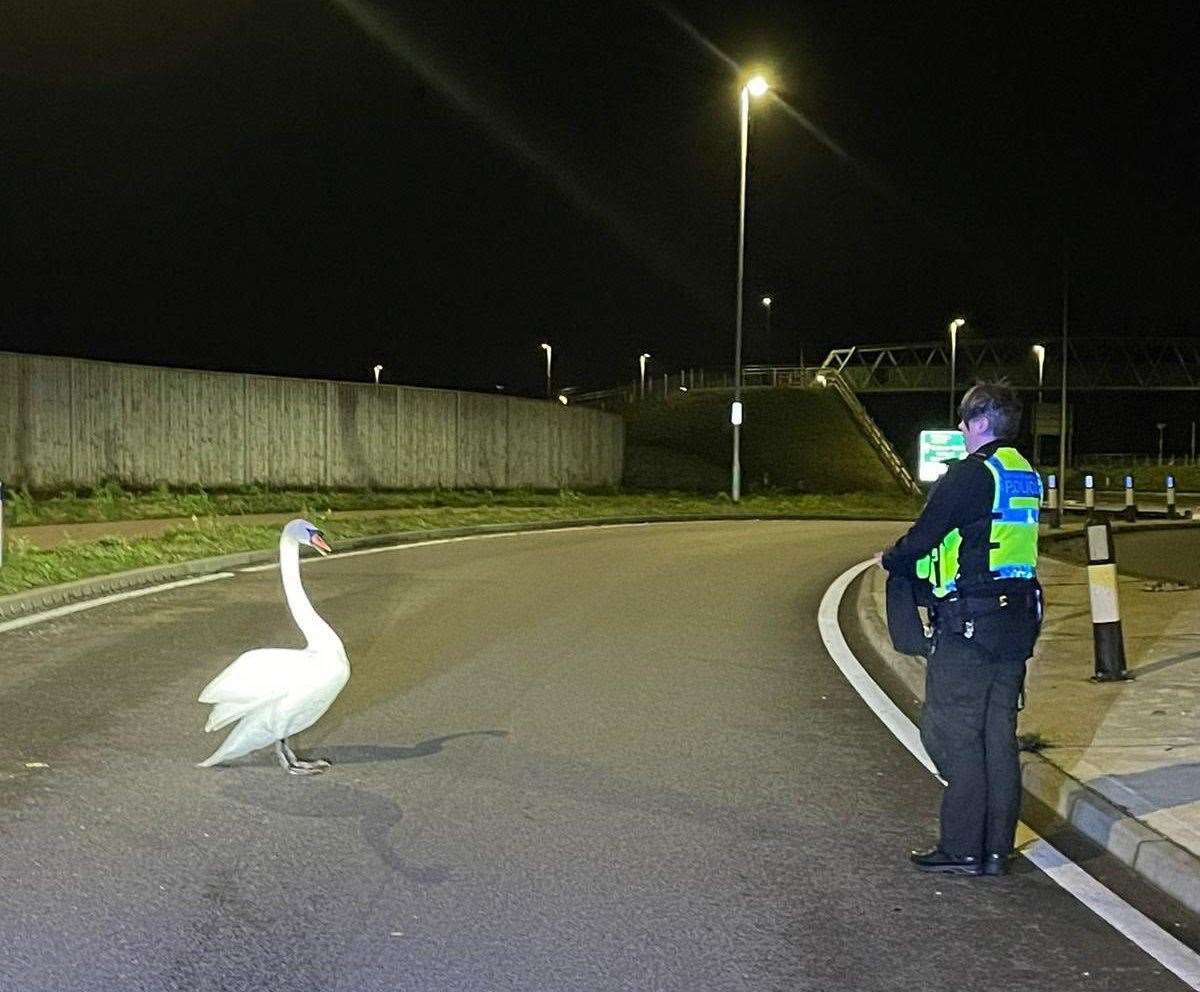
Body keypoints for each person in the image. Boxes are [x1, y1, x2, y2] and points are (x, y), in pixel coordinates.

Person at [879, 382, 1042, 877]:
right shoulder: (1024, 474)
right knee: (997, 735)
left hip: (970, 623)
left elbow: (924, 537)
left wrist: (891, 558)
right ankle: (996, 850)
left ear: (978, 423)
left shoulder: (970, 475)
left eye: (965, 423)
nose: (963, 431)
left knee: (951, 732)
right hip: (1016, 623)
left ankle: (963, 846)